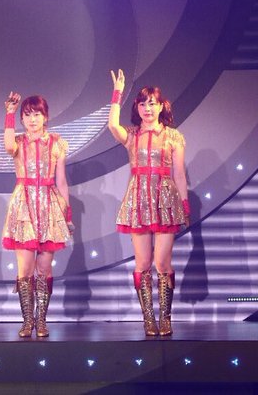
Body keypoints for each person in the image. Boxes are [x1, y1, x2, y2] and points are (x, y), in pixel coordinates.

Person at [107, 69, 189, 336]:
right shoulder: (132, 135)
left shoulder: (174, 136)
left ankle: (166, 317)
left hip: (166, 201)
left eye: (152, 103)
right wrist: (117, 93)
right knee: (142, 264)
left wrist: (185, 206)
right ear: (137, 108)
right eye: (142, 104)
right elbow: (112, 126)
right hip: (139, 200)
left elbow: (179, 174)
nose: (147, 108)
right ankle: (148, 318)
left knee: (162, 263)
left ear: (161, 106)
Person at [2, 92, 73, 338]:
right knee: (24, 270)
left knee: (44, 269)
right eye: (27, 115)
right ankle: (27, 321)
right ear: (22, 119)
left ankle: (41, 320)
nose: (32, 119)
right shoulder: (18, 142)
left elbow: (62, 181)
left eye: (37, 114)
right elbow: (8, 146)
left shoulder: (57, 143)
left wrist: (67, 213)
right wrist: (9, 114)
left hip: (49, 205)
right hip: (23, 206)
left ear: (46, 117)